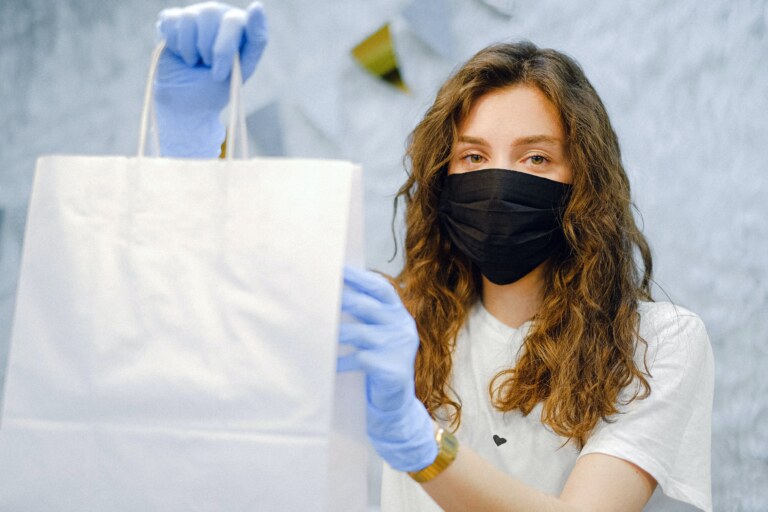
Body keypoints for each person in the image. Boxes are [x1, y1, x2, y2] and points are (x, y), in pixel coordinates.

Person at [154, 3, 714, 511]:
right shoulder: (396, 322)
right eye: (472, 156)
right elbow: (233, 298)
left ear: (587, 180)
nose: (498, 182)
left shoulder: (658, 344)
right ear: (440, 182)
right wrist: (191, 150)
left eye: (536, 157)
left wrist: (417, 439)